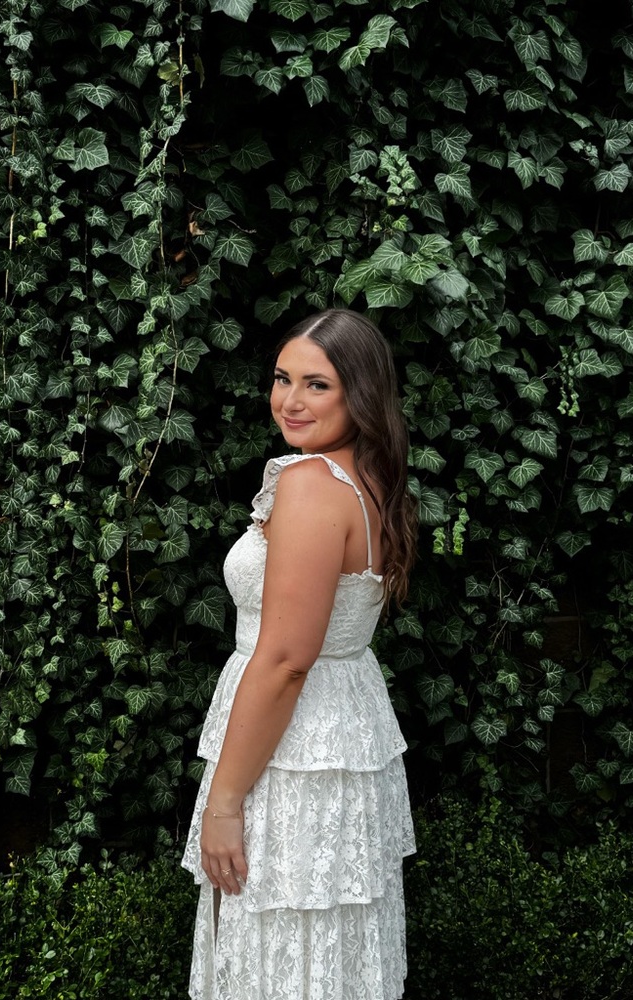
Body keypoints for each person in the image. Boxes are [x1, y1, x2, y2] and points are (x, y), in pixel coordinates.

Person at [182, 308, 418, 1000]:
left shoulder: (314, 488)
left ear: (360, 394)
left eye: (317, 385)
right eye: (282, 379)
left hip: (292, 748)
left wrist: (224, 801)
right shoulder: (366, 479)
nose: (289, 400)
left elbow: (285, 660)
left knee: (272, 952)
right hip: (338, 731)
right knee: (323, 952)